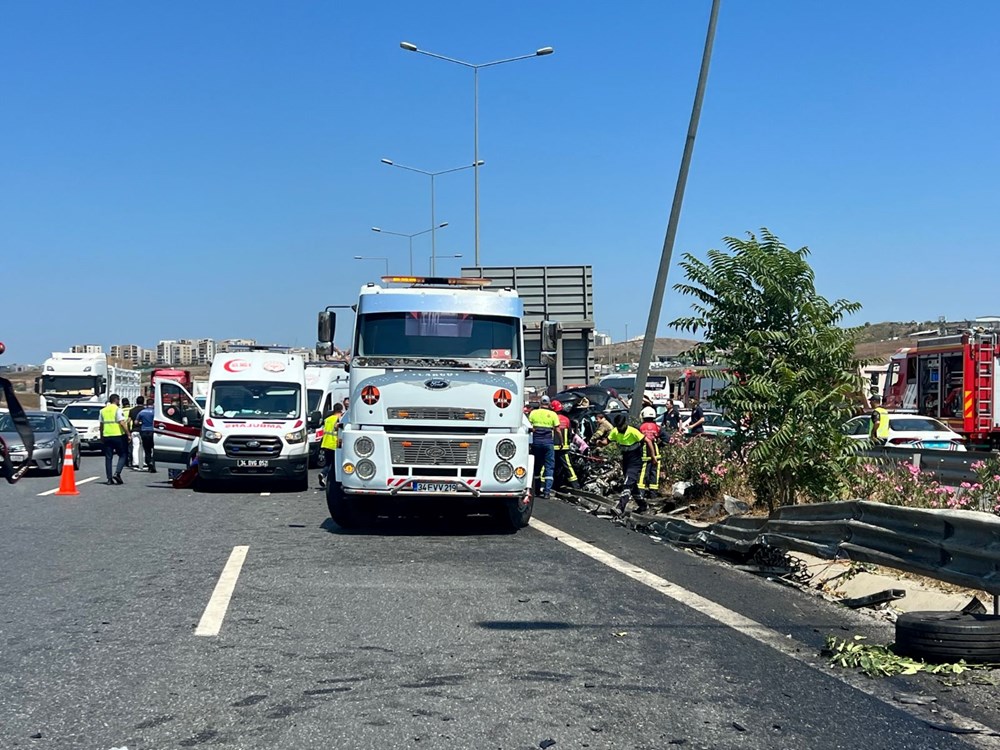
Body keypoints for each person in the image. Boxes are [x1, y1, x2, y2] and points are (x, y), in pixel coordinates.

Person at [607, 413, 656, 515]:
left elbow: (648, 441)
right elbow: (607, 441)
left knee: (627, 483)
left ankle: (620, 507)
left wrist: (653, 456)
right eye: (618, 427)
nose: (620, 429)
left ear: (625, 424)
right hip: (626, 459)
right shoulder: (615, 431)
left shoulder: (633, 431)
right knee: (632, 486)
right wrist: (598, 442)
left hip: (635, 460)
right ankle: (643, 505)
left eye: (621, 426)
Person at [528, 395, 561, 499]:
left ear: (540, 403)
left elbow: (529, 428)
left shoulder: (533, 413)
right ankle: (546, 492)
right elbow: (557, 430)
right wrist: (560, 441)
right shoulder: (553, 414)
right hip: (548, 443)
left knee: (536, 467)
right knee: (549, 467)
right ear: (549, 403)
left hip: (536, 443)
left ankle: (536, 490)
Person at [99, 394, 129, 485]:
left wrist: (101, 437)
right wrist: (128, 434)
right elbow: (122, 423)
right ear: (117, 400)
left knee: (108, 458)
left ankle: (109, 479)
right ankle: (117, 473)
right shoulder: (118, 410)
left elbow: (101, 425)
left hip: (107, 436)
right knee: (123, 454)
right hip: (118, 435)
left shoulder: (102, 411)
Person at [550, 400, 579, 491]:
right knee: (568, 466)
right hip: (564, 448)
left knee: (548, 466)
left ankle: (545, 486)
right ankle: (576, 486)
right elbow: (570, 434)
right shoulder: (566, 419)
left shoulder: (551, 418)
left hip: (552, 447)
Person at [637, 406, 661, 500]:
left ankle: (640, 494)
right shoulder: (657, 427)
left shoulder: (641, 427)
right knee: (654, 472)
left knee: (643, 473)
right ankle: (653, 495)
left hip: (644, 451)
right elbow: (666, 438)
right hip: (655, 451)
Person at [318, 402, 344, 489]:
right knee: (333, 465)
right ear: (340, 410)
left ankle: (323, 475)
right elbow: (338, 429)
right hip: (334, 444)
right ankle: (327, 478)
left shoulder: (327, 419)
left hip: (326, 443)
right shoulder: (338, 419)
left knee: (328, 463)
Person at [134, 398, 157, 472]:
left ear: (146, 404)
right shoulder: (155, 412)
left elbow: (136, 422)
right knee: (154, 448)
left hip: (144, 431)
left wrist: (141, 422)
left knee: (147, 449)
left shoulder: (142, 412)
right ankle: (153, 463)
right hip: (152, 431)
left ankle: (149, 462)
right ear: (153, 404)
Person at [129, 396, 146, 469]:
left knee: (135, 447)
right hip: (143, 430)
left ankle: (135, 463)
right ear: (143, 402)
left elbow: (128, 420)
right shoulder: (145, 410)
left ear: (136, 402)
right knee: (144, 447)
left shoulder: (132, 410)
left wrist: (129, 431)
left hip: (135, 430)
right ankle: (144, 463)